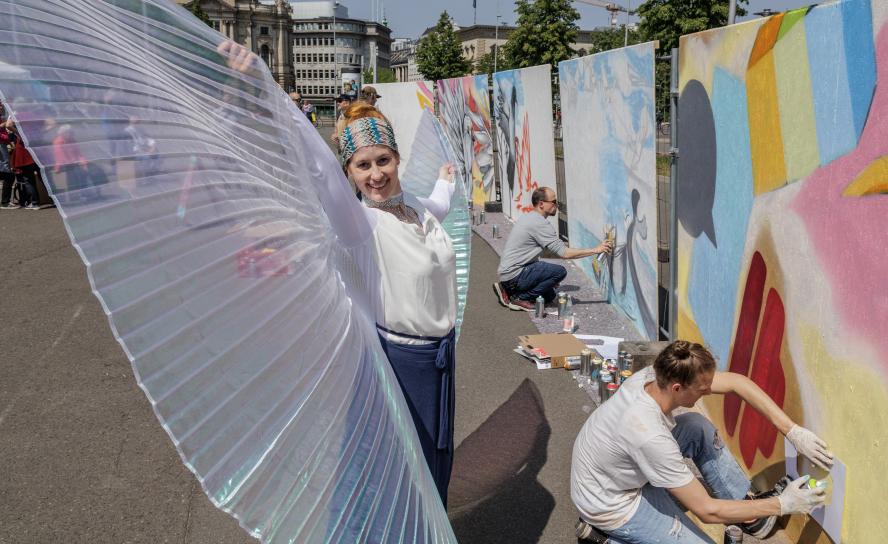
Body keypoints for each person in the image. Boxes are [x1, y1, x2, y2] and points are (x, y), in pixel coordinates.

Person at [571, 341, 832, 543]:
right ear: (677, 388)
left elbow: (737, 383)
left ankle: (752, 517)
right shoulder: (649, 435)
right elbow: (707, 511)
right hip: (611, 501)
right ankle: (603, 537)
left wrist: (793, 431)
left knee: (696, 427)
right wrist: (782, 505)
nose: (709, 391)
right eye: (702, 388)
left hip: (615, 470)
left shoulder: (658, 374)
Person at [339, 101, 459, 504]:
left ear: (397, 158)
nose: (376, 174)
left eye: (383, 160)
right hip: (401, 364)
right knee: (403, 471)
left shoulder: (419, 210)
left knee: (434, 461)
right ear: (349, 174)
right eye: (362, 165)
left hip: (441, 362)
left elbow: (441, 203)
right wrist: (261, 93)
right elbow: (313, 172)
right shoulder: (360, 223)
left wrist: (447, 177)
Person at [493, 186, 612, 311]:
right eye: (554, 202)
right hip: (514, 275)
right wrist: (595, 250)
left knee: (549, 296)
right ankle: (521, 298)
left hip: (509, 273)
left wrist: (545, 277)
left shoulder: (529, 217)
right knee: (559, 272)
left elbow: (541, 252)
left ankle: (507, 289)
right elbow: (564, 253)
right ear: (541, 204)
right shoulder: (540, 224)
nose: (557, 205)